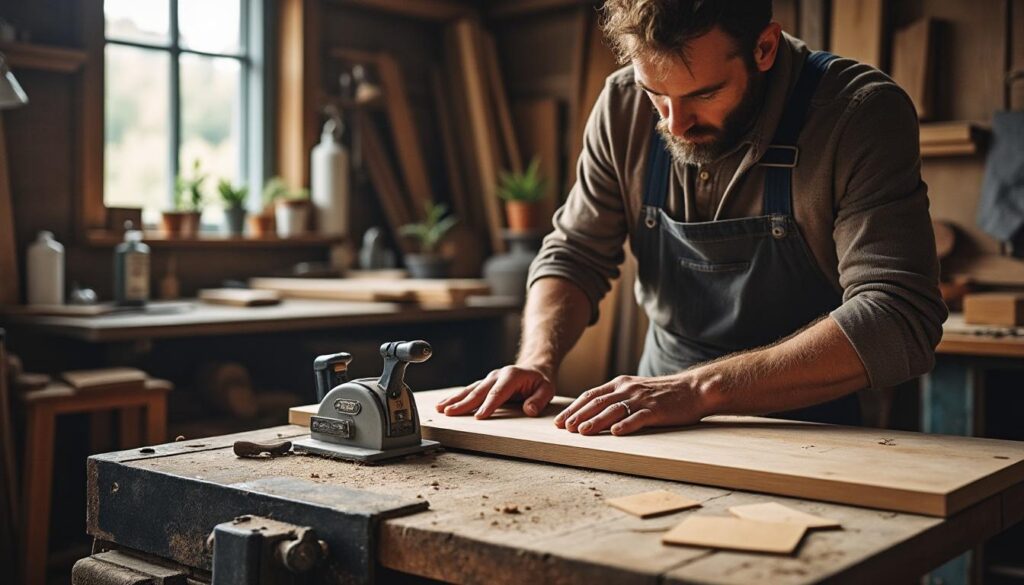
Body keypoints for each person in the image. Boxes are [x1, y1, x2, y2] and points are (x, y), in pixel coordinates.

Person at [437, 0, 946, 436]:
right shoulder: (622, 104)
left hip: (810, 427)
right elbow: (575, 254)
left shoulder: (857, 113)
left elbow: (898, 314)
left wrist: (698, 390)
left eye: (704, 94)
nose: (674, 124)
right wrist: (536, 360)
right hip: (656, 420)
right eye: (655, 94)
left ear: (764, 47)